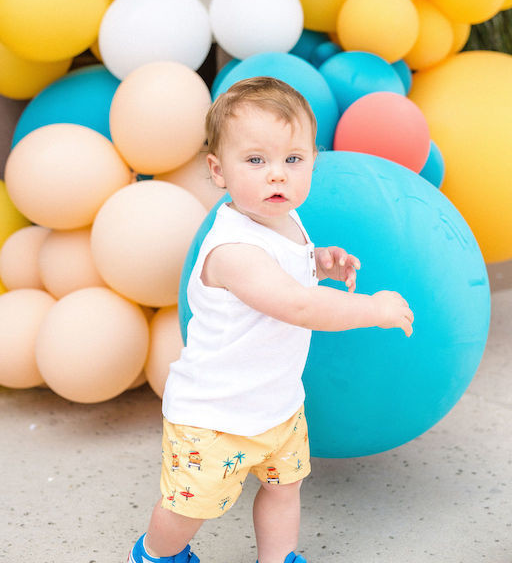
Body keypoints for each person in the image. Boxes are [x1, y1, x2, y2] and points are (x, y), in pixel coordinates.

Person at [128, 76, 413, 563]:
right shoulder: (234, 250)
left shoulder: (282, 217)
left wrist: (318, 262)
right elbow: (297, 305)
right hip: (215, 417)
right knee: (190, 506)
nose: (277, 175)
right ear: (218, 171)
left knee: (285, 489)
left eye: (293, 160)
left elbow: (289, 266)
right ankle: (156, 553)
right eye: (256, 160)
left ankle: (277, 558)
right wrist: (373, 308)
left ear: (312, 162)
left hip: (277, 404)